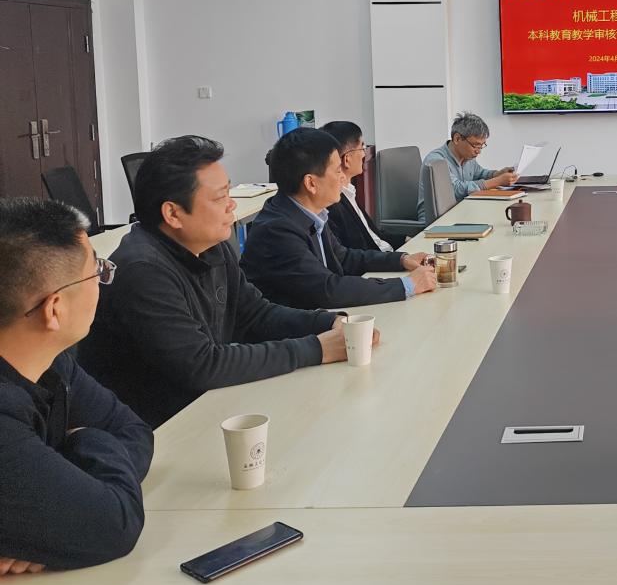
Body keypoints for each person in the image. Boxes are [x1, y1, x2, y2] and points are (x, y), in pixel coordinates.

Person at [77, 136, 377, 428]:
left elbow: (255, 314)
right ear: (173, 213)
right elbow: (202, 365)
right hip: (159, 429)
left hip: (206, 407)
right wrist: (317, 348)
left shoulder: (210, 245)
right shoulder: (142, 270)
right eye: (220, 197)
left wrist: (329, 322)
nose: (232, 206)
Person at [0, 197, 153, 572]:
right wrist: (86, 444)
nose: (101, 281)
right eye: (95, 271)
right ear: (54, 309)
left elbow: (134, 432)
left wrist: (60, 494)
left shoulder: (51, 362)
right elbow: (114, 525)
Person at [244, 128, 437, 309]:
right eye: (337, 171)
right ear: (311, 183)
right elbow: (327, 290)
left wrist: (402, 260)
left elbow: (344, 257)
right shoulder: (277, 230)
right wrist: (406, 285)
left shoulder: (311, 212)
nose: (342, 178)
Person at [417, 112, 518, 225]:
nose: (478, 151)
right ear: (457, 139)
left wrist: (498, 174)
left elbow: (480, 173)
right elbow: (456, 189)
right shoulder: (436, 161)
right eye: (475, 145)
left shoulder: (467, 157)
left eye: (482, 145)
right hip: (438, 222)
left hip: (461, 213)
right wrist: (498, 181)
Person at [321, 121, 398, 250]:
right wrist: (400, 259)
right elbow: (352, 254)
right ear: (347, 159)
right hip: (378, 260)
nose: (364, 153)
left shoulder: (349, 192)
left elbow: (375, 235)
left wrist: (406, 240)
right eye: (362, 148)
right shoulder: (333, 203)